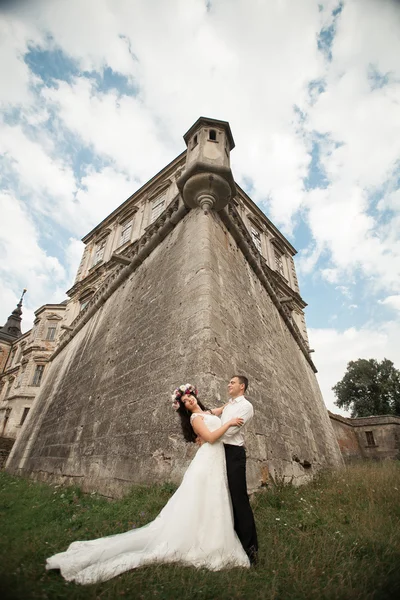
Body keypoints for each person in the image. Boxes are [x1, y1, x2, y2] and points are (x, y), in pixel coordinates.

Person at [45, 384, 250, 585]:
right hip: (208, 459)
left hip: (216, 460)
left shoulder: (206, 411)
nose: (189, 401)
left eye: (190, 397)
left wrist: (229, 406)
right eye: (186, 402)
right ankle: (204, 541)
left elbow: (218, 410)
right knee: (204, 497)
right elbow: (212, 438)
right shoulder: (195, 418)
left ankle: (212, 536)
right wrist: (229, 423)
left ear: (195, 396)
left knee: (213, 499)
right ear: (185, 409)